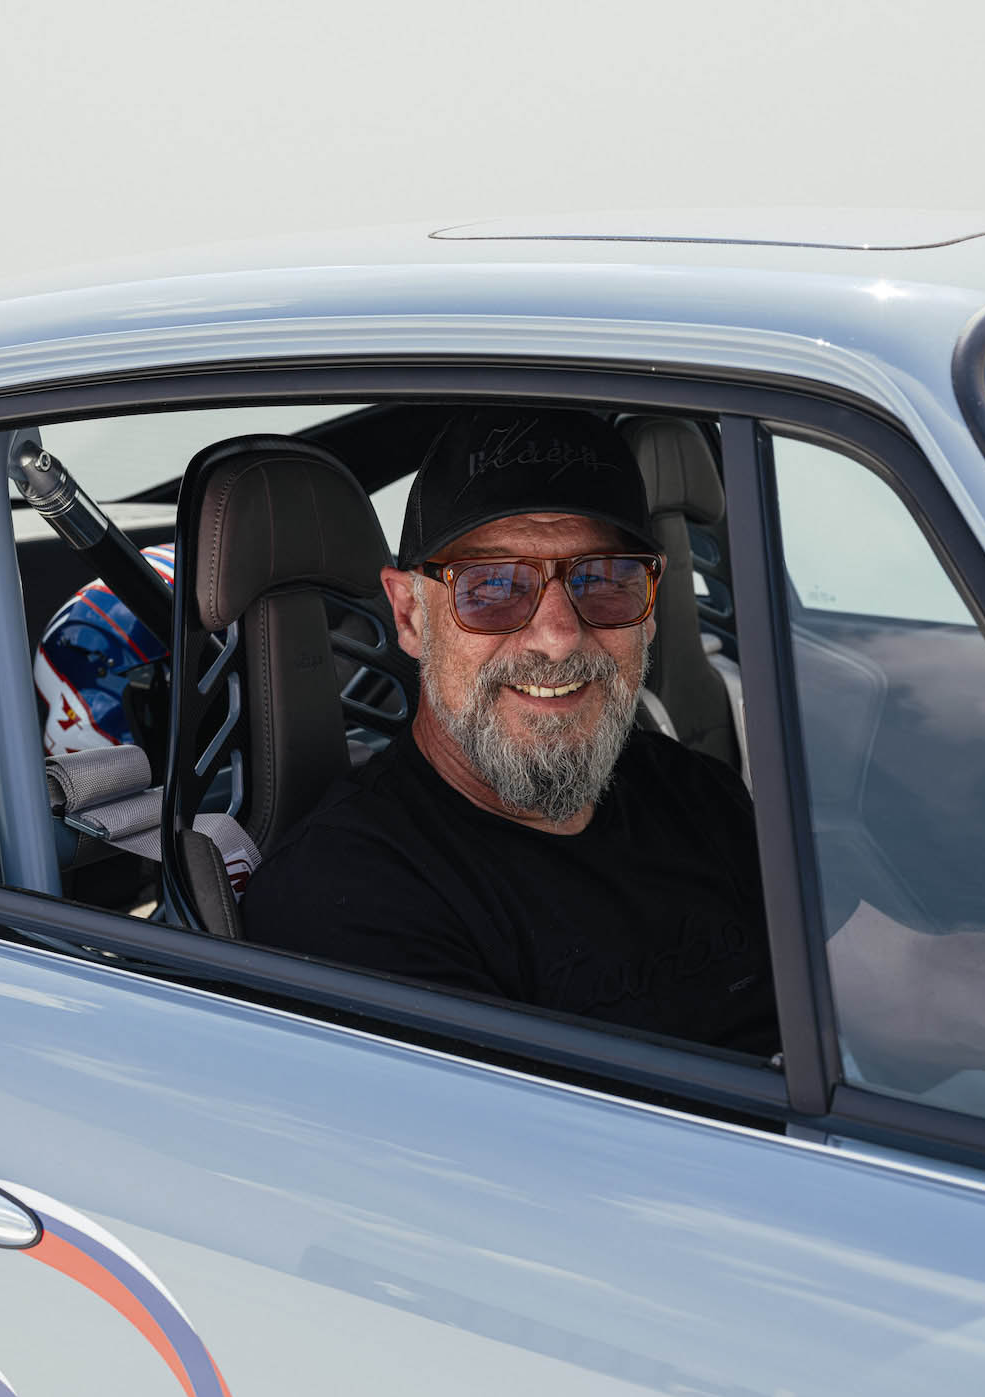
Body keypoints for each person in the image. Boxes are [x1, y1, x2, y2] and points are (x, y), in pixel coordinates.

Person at [244, 408, 779, 1055]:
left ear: (650, 608)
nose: (558, 636)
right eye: (493, 585)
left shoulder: (695, 792)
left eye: (602, 579)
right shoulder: (345, 901)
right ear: (410, 615)